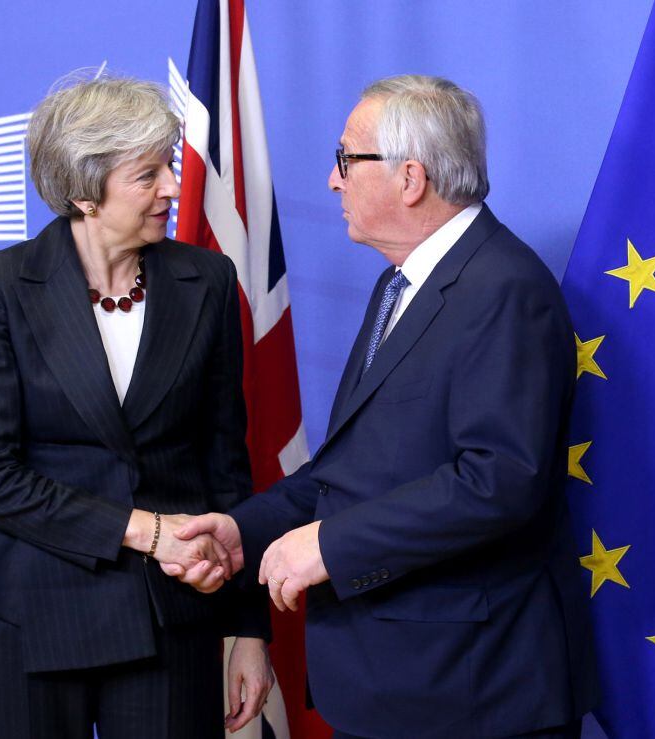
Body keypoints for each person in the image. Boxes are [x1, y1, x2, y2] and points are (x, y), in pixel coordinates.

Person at [168, 75, 598, 738]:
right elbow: (352, 467)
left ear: (411, 177)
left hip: (475, 692)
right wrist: (242, 529)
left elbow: (500, 481)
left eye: (346, 159)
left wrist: (331, 546)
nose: (333, 180)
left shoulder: (504, 289)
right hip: (398, 684)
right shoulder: (399, 285)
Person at [0, 74, 272, 738]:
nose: (173, 190)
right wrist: (147, 531)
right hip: (28, 611)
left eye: (170, 167)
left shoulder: (205, 280)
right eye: (147, 174)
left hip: (172, 617)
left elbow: (226, 466)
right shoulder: (0, 288)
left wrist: (247, 627)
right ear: (81, 191)